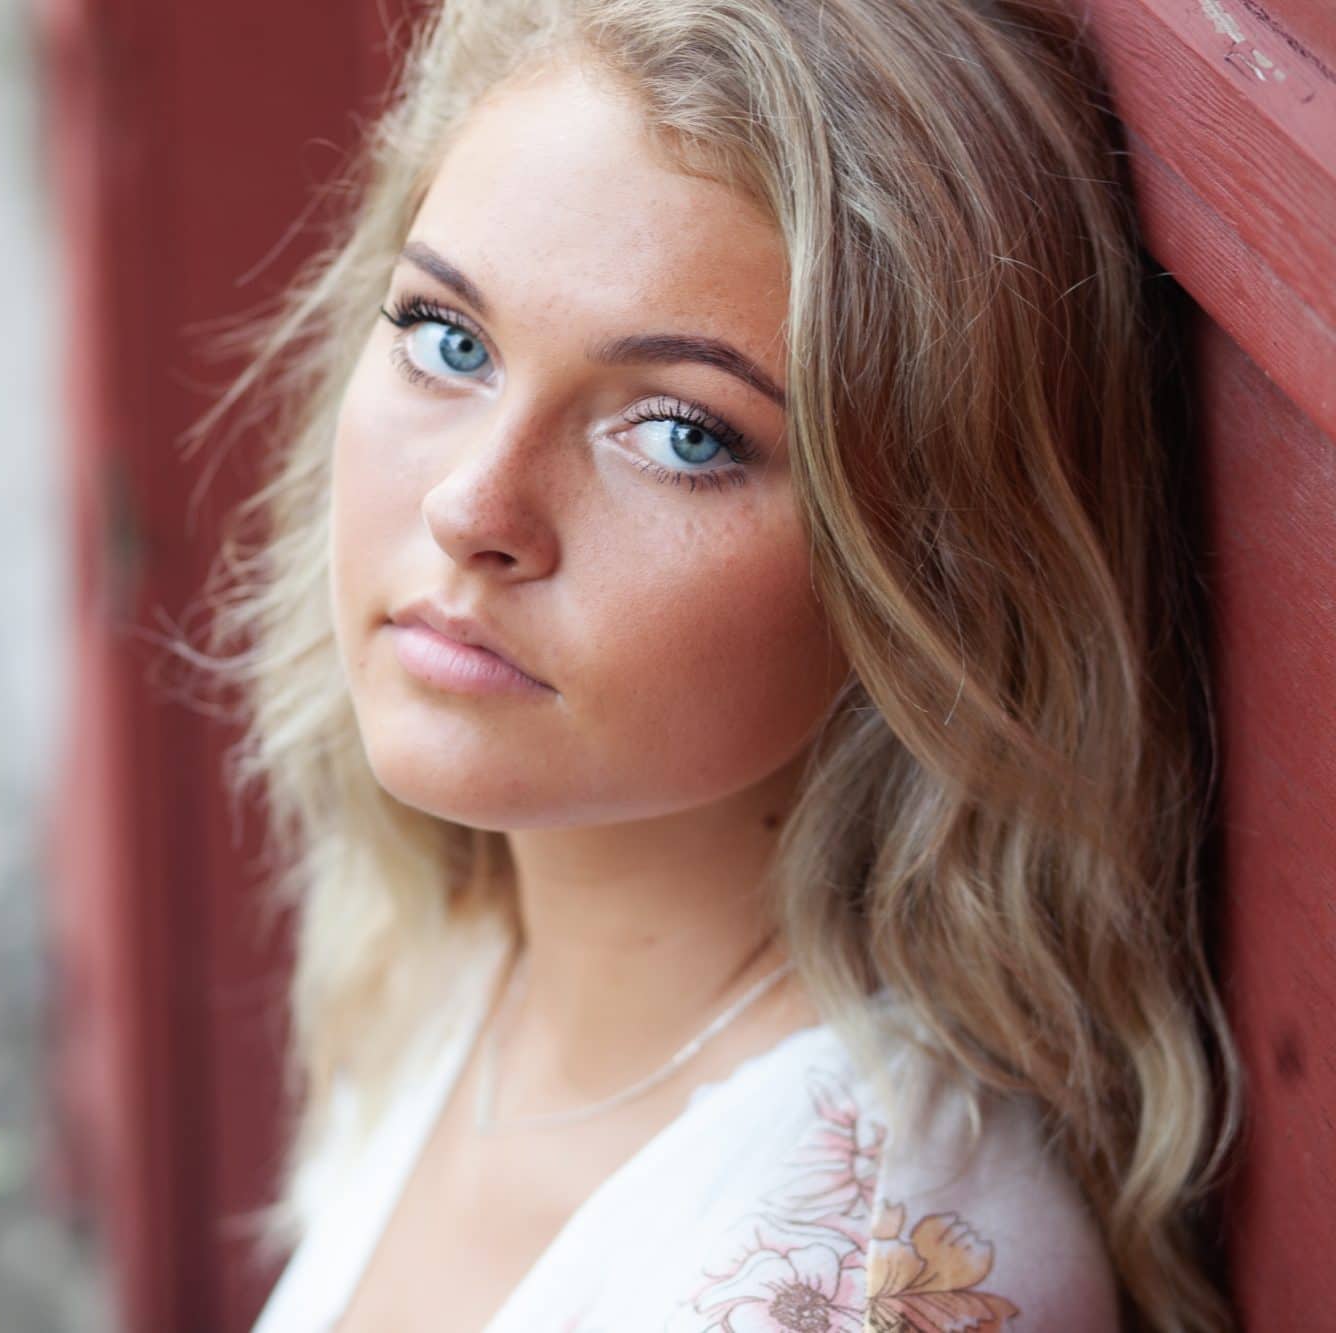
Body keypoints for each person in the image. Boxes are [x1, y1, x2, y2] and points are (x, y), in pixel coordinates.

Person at [180, 0, 1243, 1328]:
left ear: (926, 568)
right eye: (451, 339)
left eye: (682, 433)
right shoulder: (448, 944)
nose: (472, 507)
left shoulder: (850, 1275)